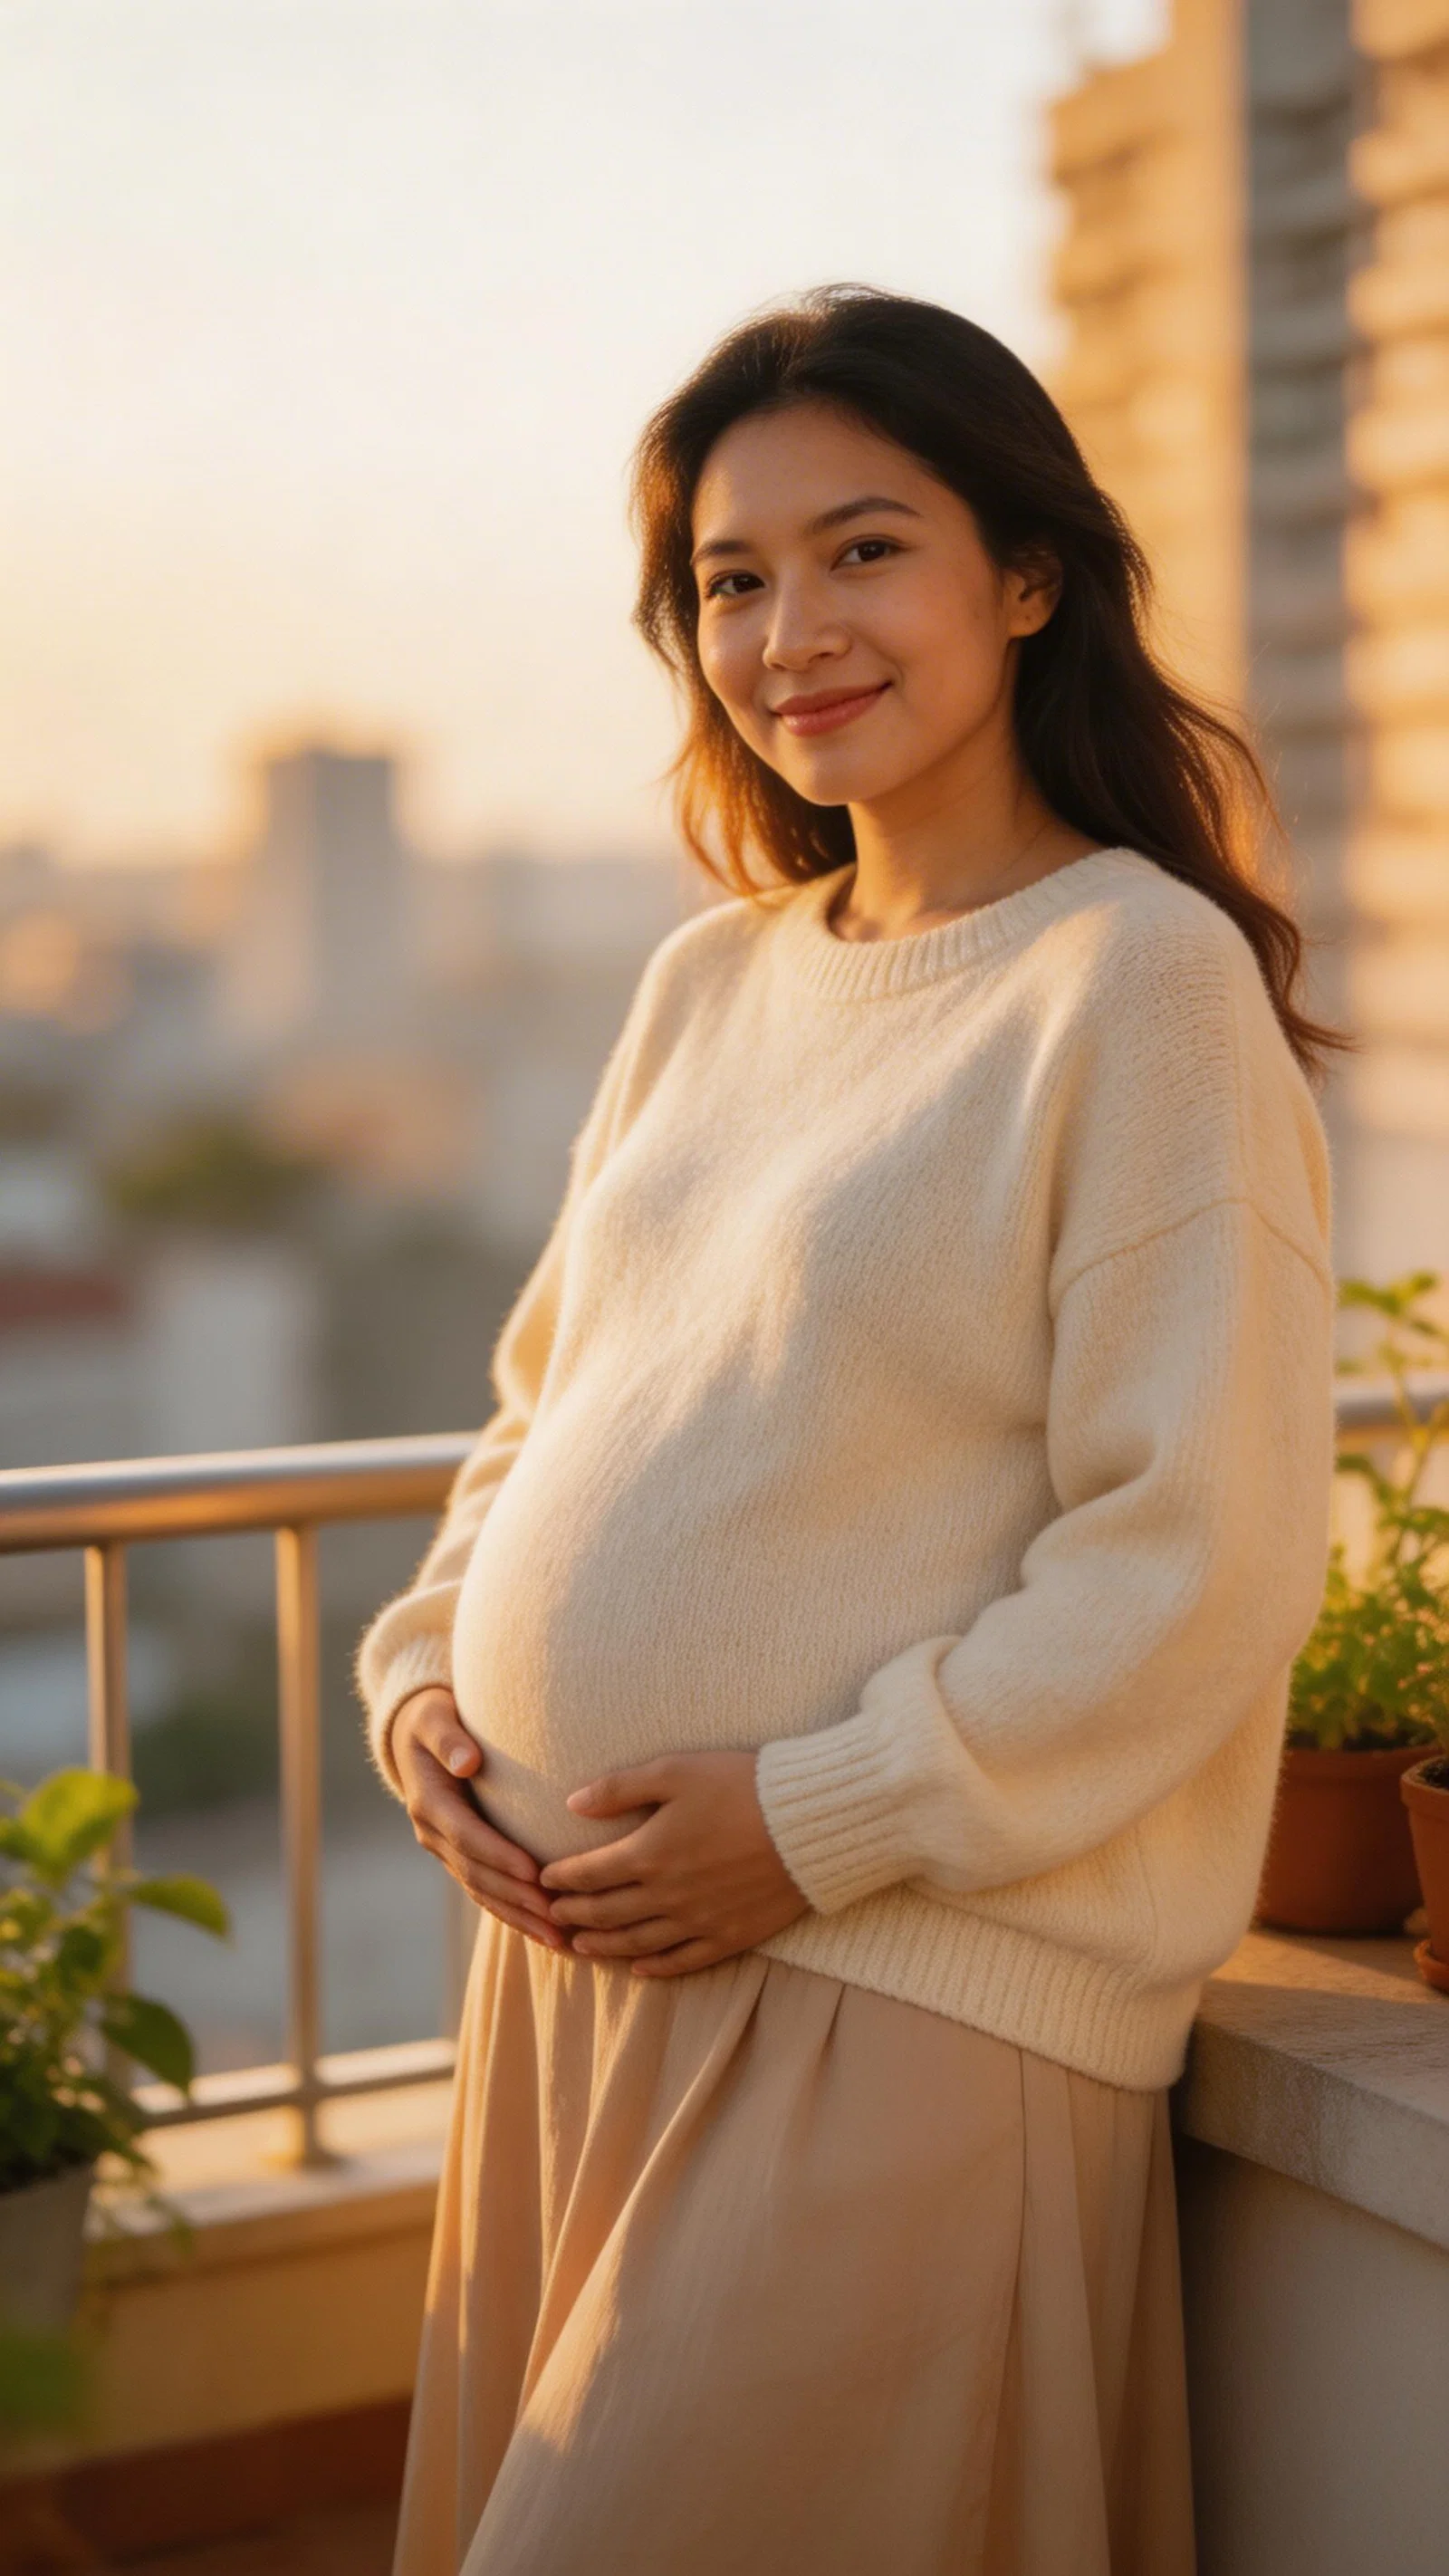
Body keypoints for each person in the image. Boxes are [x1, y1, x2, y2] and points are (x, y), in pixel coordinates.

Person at [356, 286, 1343, 2576]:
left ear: (1024, 576)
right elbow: (548, 1408)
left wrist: (811, 1820)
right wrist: (426, 1682)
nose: (787, 627)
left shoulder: (1137, 980)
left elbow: (1186, 1553)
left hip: (889, 1986)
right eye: (728, 576)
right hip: (574, 1982)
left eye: (862, 549)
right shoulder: (713, 977)